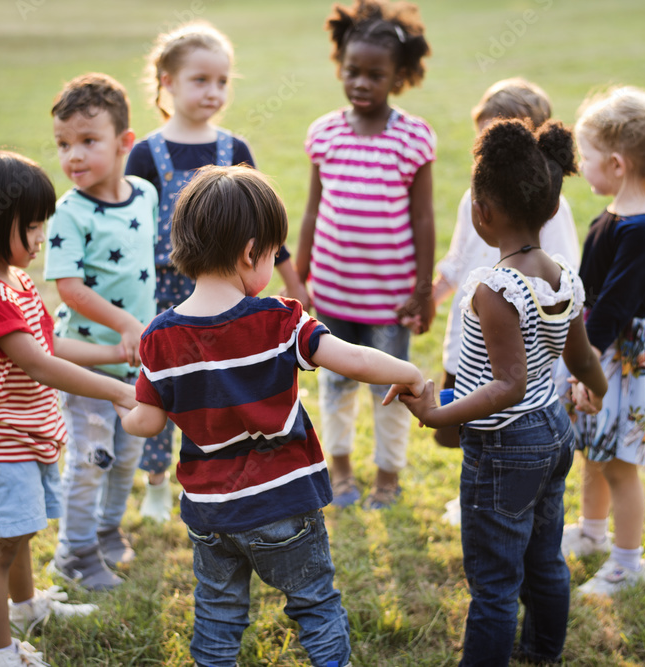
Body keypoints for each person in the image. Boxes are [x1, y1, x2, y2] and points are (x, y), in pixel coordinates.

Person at [121, 165, 424, 667]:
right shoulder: (280, 319)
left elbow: (147, 423)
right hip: (284, 502)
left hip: (211, 511)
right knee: (315, 604)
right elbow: (353, 358)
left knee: (218, 614)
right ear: (250, 252)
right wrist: (408, 371)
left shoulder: (158, 337)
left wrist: (127, 409)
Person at [393, 120, 607, 666]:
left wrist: (438, 413)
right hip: (553, 434)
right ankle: (542, 653)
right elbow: (580, 359)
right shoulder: (563, 276)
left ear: (481, 212)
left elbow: (506, 386)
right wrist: (598, 389)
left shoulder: (495, 287)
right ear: (551, 208)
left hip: (506, 447)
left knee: (493, 582)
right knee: (544, 560)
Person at [0, 151, 139, 666]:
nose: (39, 240)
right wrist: (116, 390)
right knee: (0, 547)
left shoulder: (16, 283)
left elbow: (52, 348)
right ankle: (0, 653)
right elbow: (40, 367)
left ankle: (27, 607)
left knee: (21, 532)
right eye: (30, 227)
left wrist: (118, 354)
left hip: (28, 437)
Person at [125, 21, 308, 521]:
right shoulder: (145, 154)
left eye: (223, 81)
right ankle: (158, 484)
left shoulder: (235, 150)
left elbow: (262, 227)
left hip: (232, 294)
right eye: (200, 80)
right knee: (165, 386)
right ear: (166, 81)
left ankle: (233, 476)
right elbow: (129, 232)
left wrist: (292, 281)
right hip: (166, 293)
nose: (213, 91)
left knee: (225, 388)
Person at [295, 0, 435, 509]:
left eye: (375, 74)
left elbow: (423, 219)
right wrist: (301, 280)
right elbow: (312, 212)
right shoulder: (325, 133)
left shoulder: (413, 138)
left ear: (399, 77)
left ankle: (388, 477)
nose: (361, 82)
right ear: (341, 67)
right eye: (352, 71)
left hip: (389, 300)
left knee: (391, 389)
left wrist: (423, 290)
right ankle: (341, 471)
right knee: (334, 389)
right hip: (332, 294)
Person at [432, 78, 580, 527]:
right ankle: (475, 493)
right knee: (463, 427)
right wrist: (433, 294)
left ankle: (518, 501)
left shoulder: (552, 209)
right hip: (471, 338)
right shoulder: (472, 198)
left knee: (512, 426)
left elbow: (565, 276)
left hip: (522, 348)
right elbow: (458, 258)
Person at [559, 85, 645, 597]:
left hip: (622, 358)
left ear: (615, 163)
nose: (580, 166)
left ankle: (628, 562)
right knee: (594, 450)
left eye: (585, 156)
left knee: (620, 465)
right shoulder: (611, 216)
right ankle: (591, 534)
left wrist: (584, 363)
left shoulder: (642, 232)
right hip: (601, 351)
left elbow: (611, 308)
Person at [44, 73, 158, 590]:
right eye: (63, 145)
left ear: (123, 143)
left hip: (137, 367)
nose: (73, 156)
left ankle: (108, 532)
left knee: (125, 457)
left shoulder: (146, 196)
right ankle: (74, 552)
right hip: (87, 367)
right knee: (91, 461)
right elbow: (69, 288)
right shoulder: (69, 212)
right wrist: (127, 325)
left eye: (88, 141)